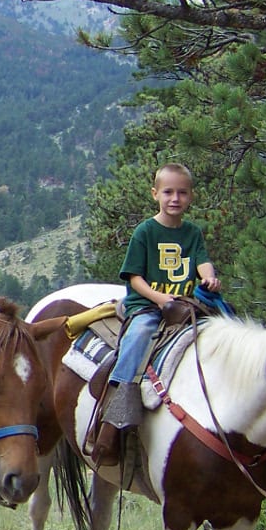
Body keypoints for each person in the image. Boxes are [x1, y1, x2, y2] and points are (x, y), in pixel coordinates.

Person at [91, 162, 219, 467]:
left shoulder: (192, 233)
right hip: (148, 305)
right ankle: (115, 412)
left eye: (182, 193)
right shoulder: (145, 231)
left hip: (185, 305)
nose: (175, 198)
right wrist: (160, 299)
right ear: (155, 194)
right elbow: (134, 277)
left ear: (191, 196)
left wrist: (209, 277)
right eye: (168, 192)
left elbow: (202, 261)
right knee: (137, 338)